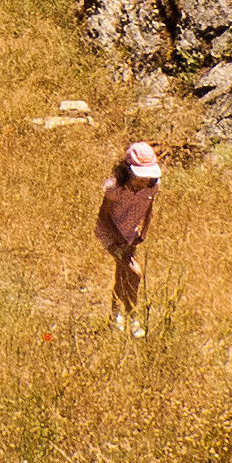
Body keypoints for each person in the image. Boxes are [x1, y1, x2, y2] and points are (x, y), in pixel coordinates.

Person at [98, 141, 160, 335]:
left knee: (122, 275)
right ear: (128, 170)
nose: (144, 180)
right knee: (134, 273)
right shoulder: (114, 188)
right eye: (140, 176)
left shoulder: (152, 186)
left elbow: (148, 208)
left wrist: (144, 230)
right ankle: (133, 317)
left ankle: (115, 317)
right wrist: (118, 239)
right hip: (110, 234)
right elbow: (103, 216)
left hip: (130, 234)